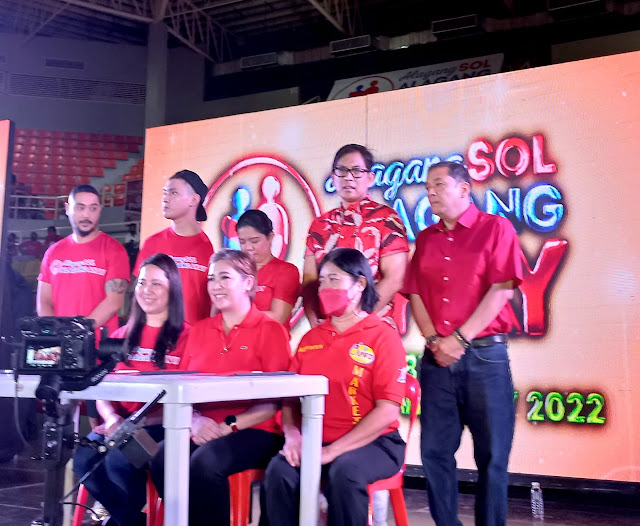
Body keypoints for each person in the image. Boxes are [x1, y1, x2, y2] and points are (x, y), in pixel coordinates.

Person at [403, 161, 523, 526]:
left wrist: (459, 338)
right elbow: (415, 293)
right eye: (428, 187)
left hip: (485, 357)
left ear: (464, 189)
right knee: (434, 452)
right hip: (436, 359)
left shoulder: (495, 228)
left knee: (493, 456)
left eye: (439, 185)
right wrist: (434, 340)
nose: (431, 192)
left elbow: (501, 290)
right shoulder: (426, 238)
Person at [265, 248, 407, 526]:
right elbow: (290, 399)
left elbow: (387, 411)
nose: (325, 288)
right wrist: (292, 435)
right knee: (279, 471)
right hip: (315, 440)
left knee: (345, 472)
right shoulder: (312, 339)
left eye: (334, 279)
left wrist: (331, 452)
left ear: (360, 284)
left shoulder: (382, 337)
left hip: (375, 443)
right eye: (321, 281)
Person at [149, 249, 291, 526]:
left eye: (224, 277)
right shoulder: (200, 330)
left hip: (255, 430)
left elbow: (275, 401)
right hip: (203, 427)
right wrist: (194, 420)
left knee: (206, 462)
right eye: (212, 279)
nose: (215, 286)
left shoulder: (271, 330)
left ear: (248, 282)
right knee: (161, 457)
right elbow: (181, 388)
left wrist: (229, 426)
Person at [73, 253, 189, 526]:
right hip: (118, 425)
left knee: (120, 458)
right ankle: (130, 520)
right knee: (83, 459)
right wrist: (112, 418)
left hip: (162, 427)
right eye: (142, 282)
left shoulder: (188, 336)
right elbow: (102, 388)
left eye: (156, 284)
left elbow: (190, 398)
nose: (147, 290)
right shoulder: (119, 336)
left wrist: (137, 424)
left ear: (172, 289)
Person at [303, 144, 409, 330]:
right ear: (333, 177)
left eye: (357, 171)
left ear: (370, 178)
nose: (348, 177)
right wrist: (315, 323)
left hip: (374, 327)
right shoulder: (320, 225)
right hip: (328, 329)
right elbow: (310, 281)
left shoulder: (387, 219)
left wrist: (355, 321)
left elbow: (394, 278)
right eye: (342, 171)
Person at [38, 185, 130, 339]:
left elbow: (113, 302)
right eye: (80, 208)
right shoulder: (53, 252)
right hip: (60, 344)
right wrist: (54, 334)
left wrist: (79, 331)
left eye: (93, 208)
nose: (87, 215)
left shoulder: (114, 250)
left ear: (99, 210)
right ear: (68, 209)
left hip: (99, 346)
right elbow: (44, 300)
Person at [135, 170, 213, 325]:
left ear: (193, 199)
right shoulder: (152, 243)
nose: (165, 198)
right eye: (165, 193)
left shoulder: (207, 248)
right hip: (157, 334)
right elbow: (138, 295)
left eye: (173, 193)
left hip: (194, 335)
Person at [237, 209, 301, 328]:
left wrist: (234, 316)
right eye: (242, 242)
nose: (248, 247)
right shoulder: (235, 271)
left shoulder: (286, 271)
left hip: (271, 338)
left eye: (254, 241)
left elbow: (278, 317)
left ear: (270, 237)